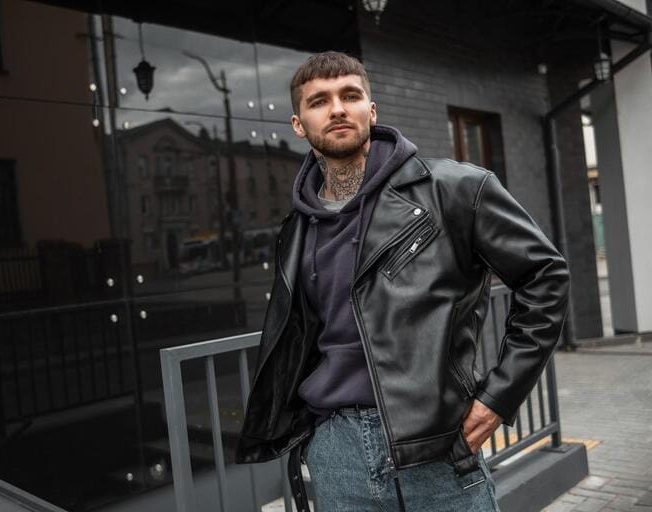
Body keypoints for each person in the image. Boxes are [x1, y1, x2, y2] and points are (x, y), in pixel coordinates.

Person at [235, 51, 571, 512]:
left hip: (436, 450)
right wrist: (311, 437)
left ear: (371, 112)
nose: (337, 109)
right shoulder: (297, 229)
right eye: (319, 101)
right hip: (337, 453)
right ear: (298, 124)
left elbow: (545, 275)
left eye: (350, 96)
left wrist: (498, 397)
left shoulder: (455, 189)